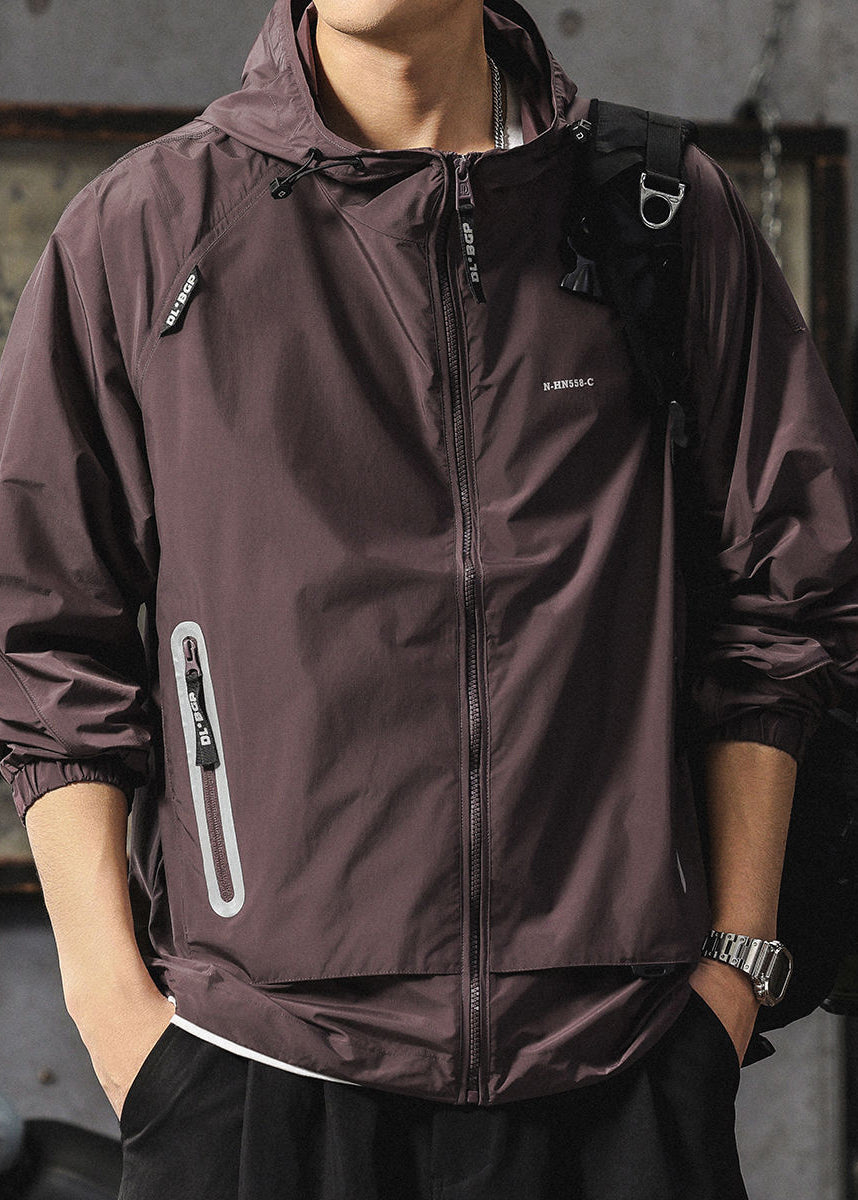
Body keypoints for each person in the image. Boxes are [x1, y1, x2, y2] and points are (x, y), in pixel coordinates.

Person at [1, 0, 857, 1196]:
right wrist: (116, 1017)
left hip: (621, 1064)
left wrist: (734, 968)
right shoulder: (145, 229)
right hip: (255, 1070)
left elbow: (786, 593)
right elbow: (46, 635)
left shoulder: (664, 211)